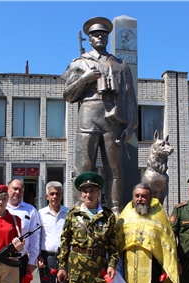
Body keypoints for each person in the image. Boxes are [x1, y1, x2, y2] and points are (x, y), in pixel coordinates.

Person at [62, 16, 138, 216]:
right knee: (85, 167)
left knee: (114, 168)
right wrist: (85, 79)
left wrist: (130, 127)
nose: (100, 37)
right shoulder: (79, 62)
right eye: (95, 34)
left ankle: (115, 208)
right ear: (89, 38)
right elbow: (68, 94)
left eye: (103, 34)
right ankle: (81, 208)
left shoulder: (121, 65)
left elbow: (130, 97)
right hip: (88, 116)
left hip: (113, 118)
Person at [37, 181, 74, 283]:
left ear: (62, 195)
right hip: (47, 259)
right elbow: (36, 238)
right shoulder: (40, 214)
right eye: (51, 194)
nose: (54, 197)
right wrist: (37, 255)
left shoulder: (69, 213)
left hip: (65, 259)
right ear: (46, 196)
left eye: (57, 193)